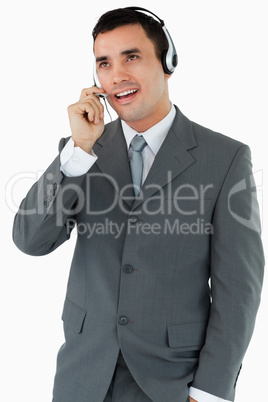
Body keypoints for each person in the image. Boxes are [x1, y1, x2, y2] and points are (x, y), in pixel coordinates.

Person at [13, 7, 264, 402]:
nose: (117, 75)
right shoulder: (80, 151)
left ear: (168, 63)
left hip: (172, 383)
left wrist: (209, 391)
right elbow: (30, 240)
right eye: (104, 63)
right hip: (82, 377)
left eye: (131, 57)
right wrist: (78, 150)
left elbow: (239, 289)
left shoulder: (226, 157)